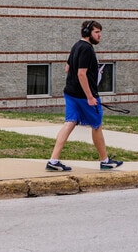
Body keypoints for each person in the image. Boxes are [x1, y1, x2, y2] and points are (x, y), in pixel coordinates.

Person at [46, 20, 123, 171]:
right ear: (88, 33)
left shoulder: (76, 46)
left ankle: (53, 161)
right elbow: (82, 73)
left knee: (69, 123)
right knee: (96, 125)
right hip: (84, 96)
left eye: (100, 32)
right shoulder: (87, 49)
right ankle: (105, 160)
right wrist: (89, 96)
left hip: (70, 93)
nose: (100, 35)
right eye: (97, 32)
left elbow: (67, 68)